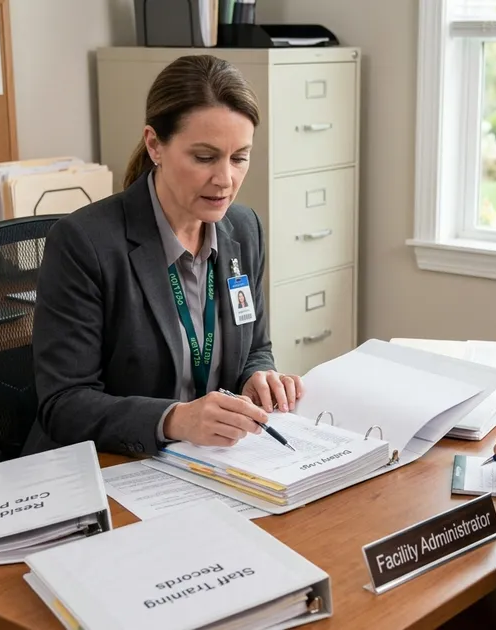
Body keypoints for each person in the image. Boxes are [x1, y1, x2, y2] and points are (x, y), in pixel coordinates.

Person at [24, 55, 304, 457]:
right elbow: (64, 404)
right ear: (155, 144)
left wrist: (258, 374)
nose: (225, 179)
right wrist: (174, 420)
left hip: (208, 463)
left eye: (239, 157)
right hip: (114, 466)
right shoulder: (83, 243)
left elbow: (255, 343)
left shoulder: (243, 228)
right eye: (204, 157)